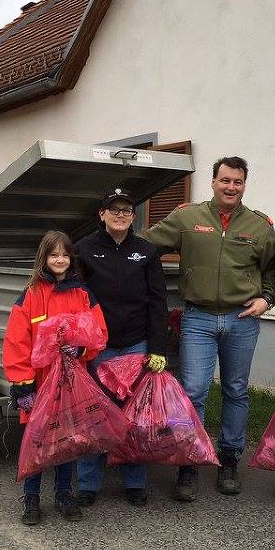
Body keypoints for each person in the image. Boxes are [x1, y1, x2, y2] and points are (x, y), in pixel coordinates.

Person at [143, 156, 275, 500]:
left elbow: (273, 271)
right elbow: (144, 246)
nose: (231, 187)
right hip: (198, 318)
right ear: (213, 182)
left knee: (235, 390)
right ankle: (190, 461)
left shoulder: (260, 225)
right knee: (194, 391)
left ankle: (229, 459)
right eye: (225, 180)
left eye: (238, 182)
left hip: (241, 319)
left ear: (245, 185)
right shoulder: (187, 217)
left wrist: (267, 300)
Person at [2, 230, 108, 526]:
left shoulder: (84, 294)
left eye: (64, 255)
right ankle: (32, 497)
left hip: (72, 383)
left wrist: (83, 348)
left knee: (68, 441)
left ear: (71, 258)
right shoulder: (31, 295)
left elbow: (99, 333)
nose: (59, 260)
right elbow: (16, 342)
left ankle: (64, 494)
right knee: (36, 441)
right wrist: (22, 384)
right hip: (39, 383)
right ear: (44, 258)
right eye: (53, 255)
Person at [75, 187, 168, 508]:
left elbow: (158, 301)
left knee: (134, 415)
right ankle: (87, 483)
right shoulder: (83, 250)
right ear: (101, 215)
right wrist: (78, 342)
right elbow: (76, 300)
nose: (120, 215)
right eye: (113, 209)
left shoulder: (146, 251)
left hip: (135, 345)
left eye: (126, 210)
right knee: (95, 414)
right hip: (97, 348)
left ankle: (134, 481)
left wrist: (158, 347)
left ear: (133, 216)